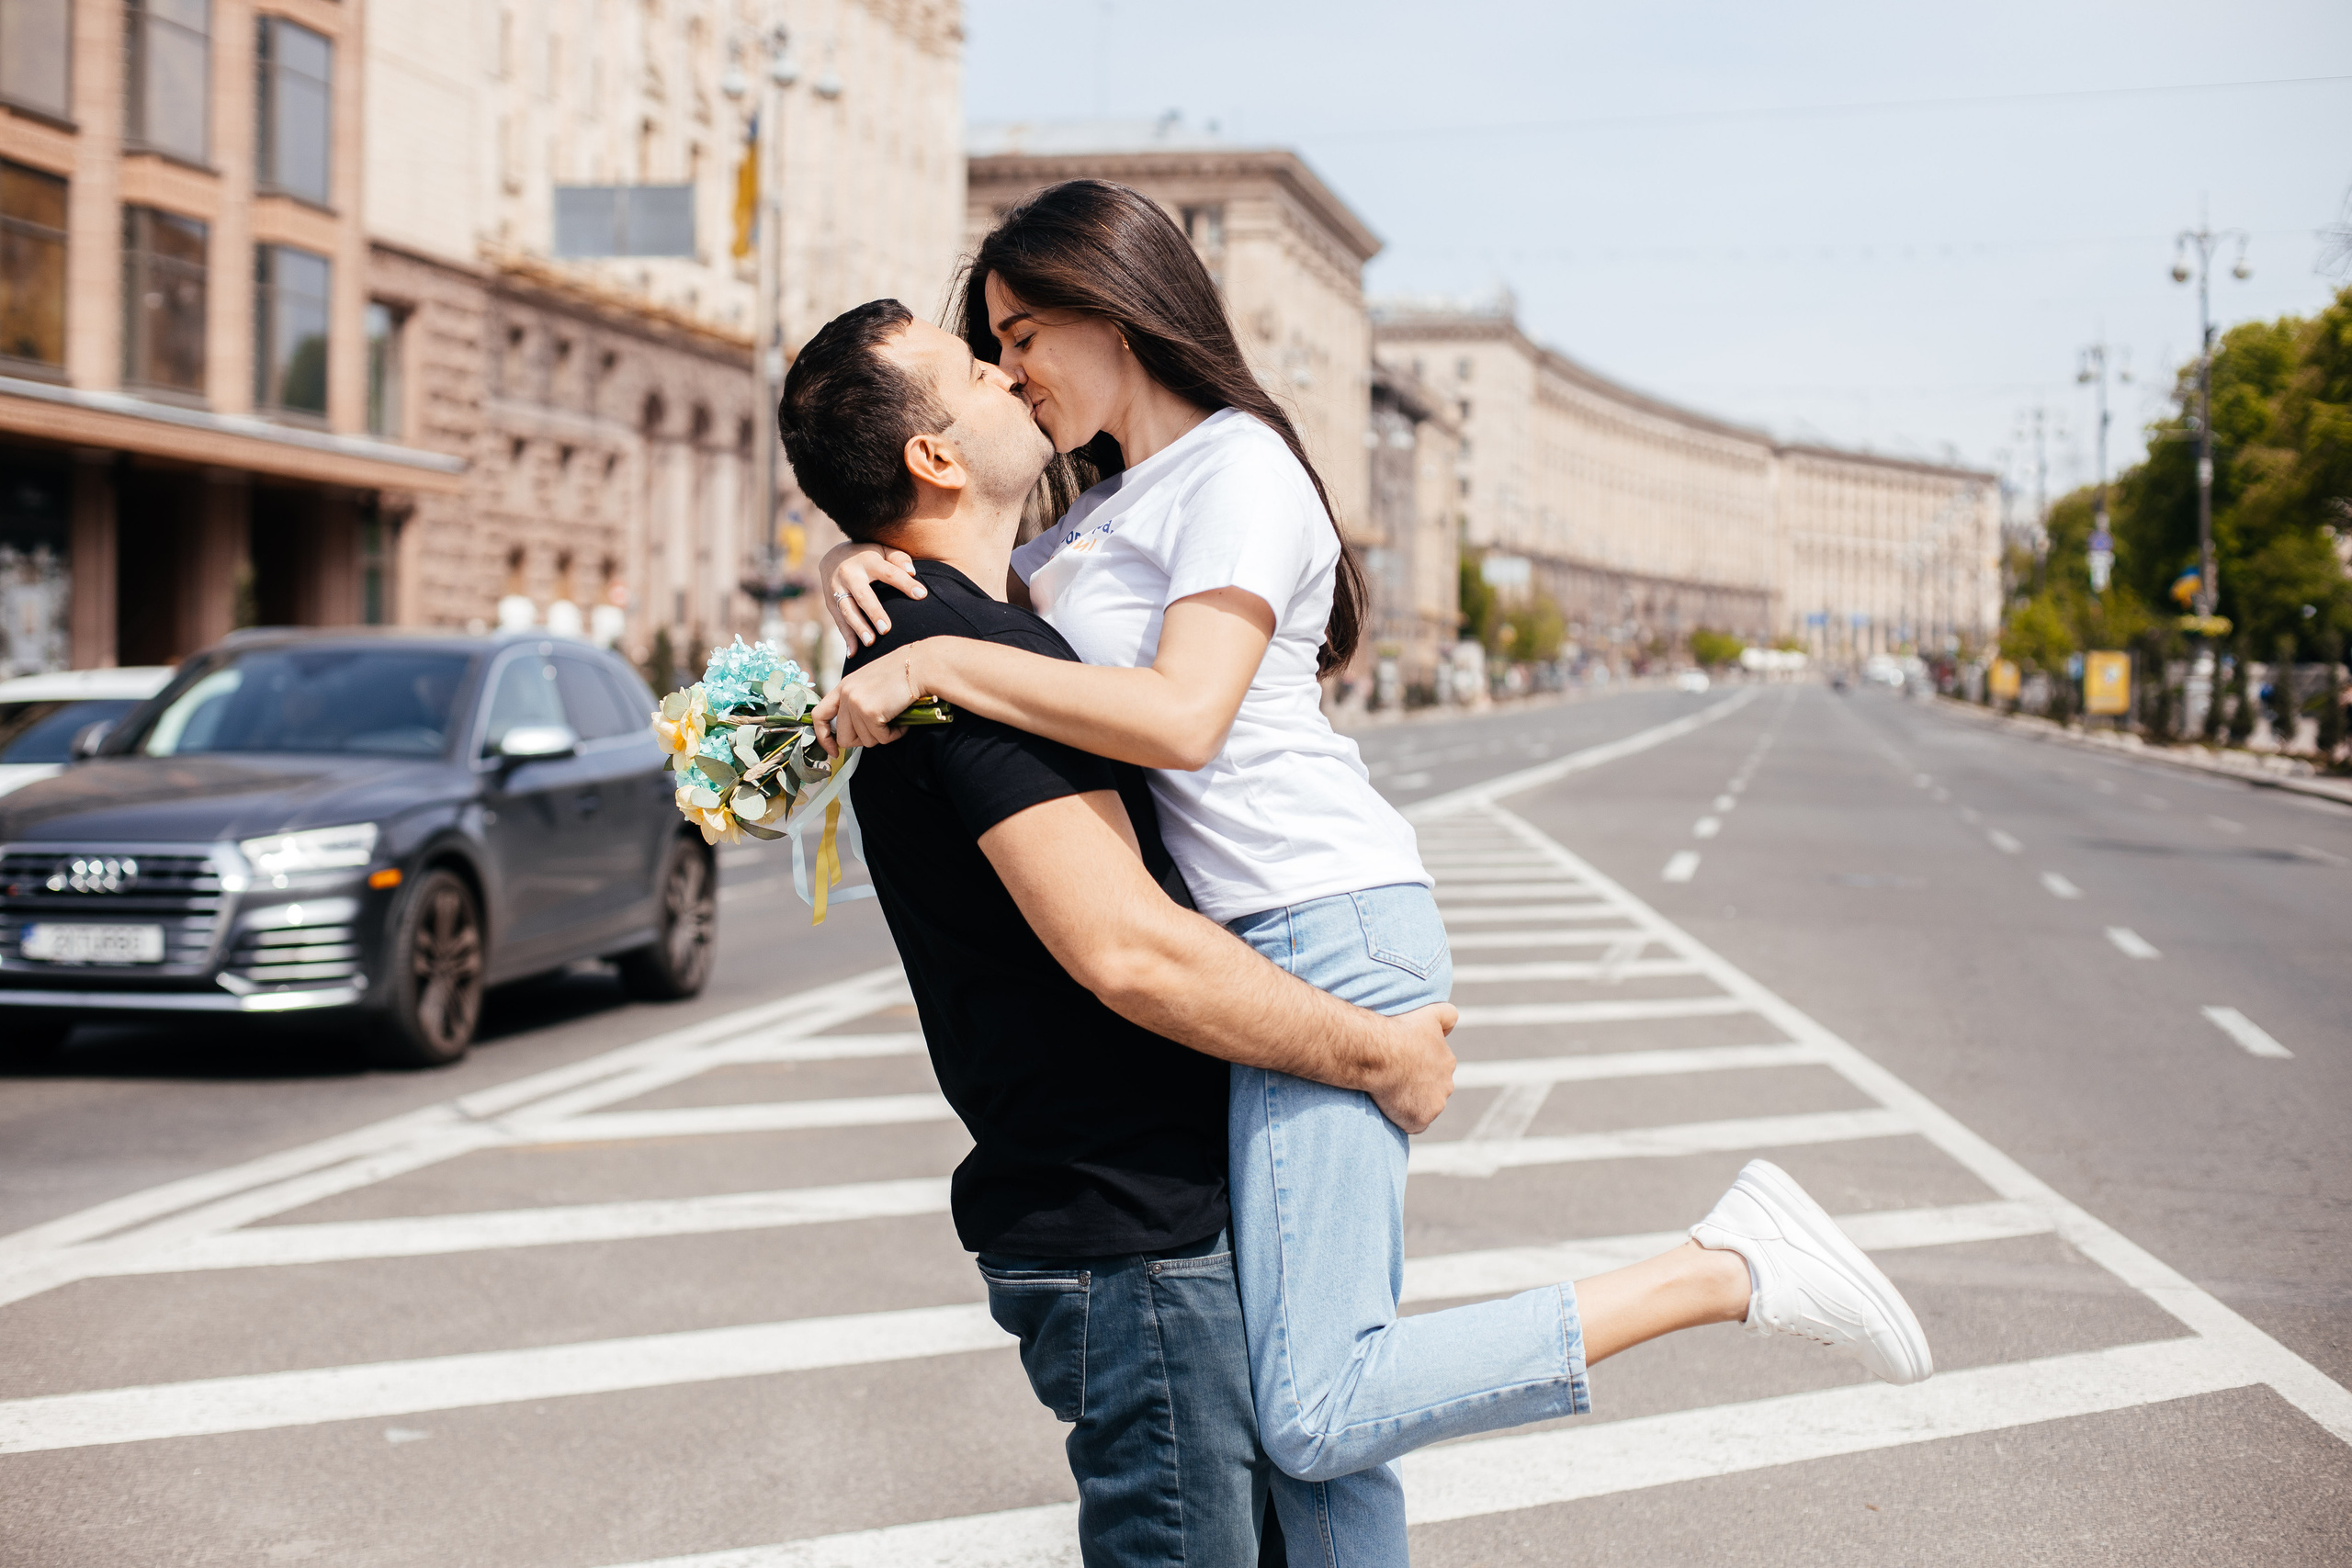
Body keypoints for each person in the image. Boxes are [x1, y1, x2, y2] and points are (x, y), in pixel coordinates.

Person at [789, 271, 1933, 1566]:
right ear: (933, 453)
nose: (1007, 372)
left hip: (1238, 1063)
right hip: (1133, 1221)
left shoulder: (1001, 617)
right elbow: (1126, 947)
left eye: (1015, 341)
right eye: (978, 361)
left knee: (1328, 1451)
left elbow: (1169, 714)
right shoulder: (964, 643)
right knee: (1329, 1425)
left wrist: (890, 586)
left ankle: (1725, 1266)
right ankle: (1720, 1269)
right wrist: (1377, 1050)